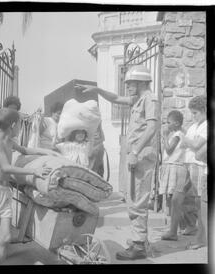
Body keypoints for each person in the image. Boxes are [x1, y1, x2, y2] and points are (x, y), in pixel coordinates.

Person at [77, 64, 159, 260]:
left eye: (130, 83)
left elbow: (151, 128)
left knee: (138, 200)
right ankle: (139, 239)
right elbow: (114, 98)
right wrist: (97, 90)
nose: (127, 86)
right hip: (136, 155)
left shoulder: (150, 99)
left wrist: (136, 151)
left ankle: (139, 246)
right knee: (132, 198)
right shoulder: (138, 99)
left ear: (140, 82)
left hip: (141, 155)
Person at [0, 108, 57, 265]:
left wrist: (47, 152)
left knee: (6, 239)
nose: (20, 128)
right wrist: (34, 171)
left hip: (3, 192)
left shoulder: (10, 142)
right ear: (13, 124)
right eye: (19, 125)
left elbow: (25, 150)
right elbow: (6, 167)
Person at [160, 111, 191, 241]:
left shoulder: (177, 134)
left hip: (176, 168)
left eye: (168, 122)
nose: (166, 125)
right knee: (173, 201)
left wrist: (165, 136)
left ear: (176, 123)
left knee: (175, 201)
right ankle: (179, 227)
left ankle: (173, 232)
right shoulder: (178, 133)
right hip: (172, 167)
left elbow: (169, 150)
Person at [181, 96, 207, 238]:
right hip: (189, 163)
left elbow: (197, 145)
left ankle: (201, 233)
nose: (193, 116)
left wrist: (187, 141)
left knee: (199, 199)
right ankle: (192, 226)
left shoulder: (206, 125)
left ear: (203, 110)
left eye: (195, 113)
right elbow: (187, 143)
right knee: (188, 198)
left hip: (198, 165)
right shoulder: (194, 126)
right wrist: (189, 142)